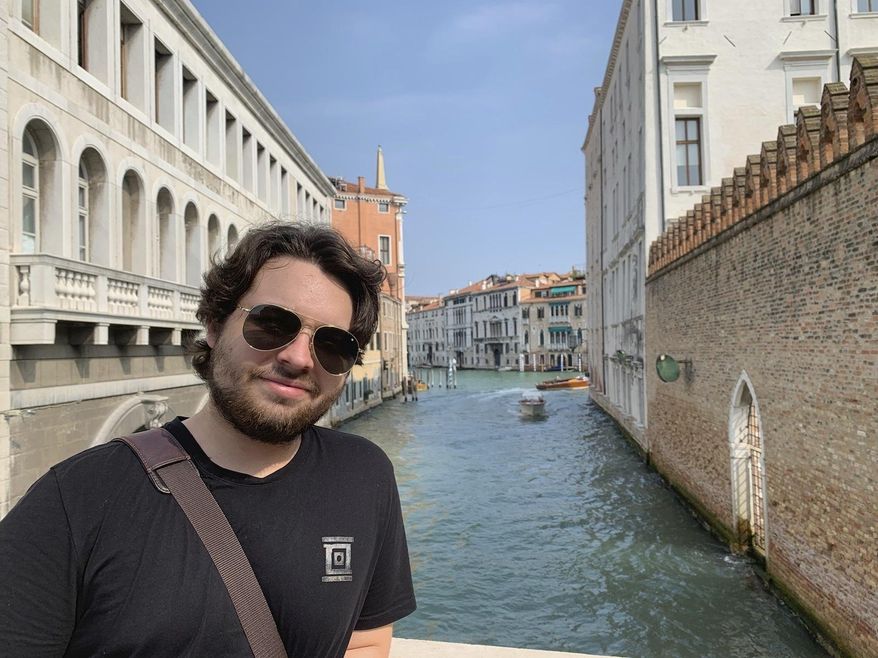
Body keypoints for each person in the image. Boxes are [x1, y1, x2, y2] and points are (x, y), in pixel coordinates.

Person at [0, 222, 416, 657]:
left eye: (332, 344)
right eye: (271, 324)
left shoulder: (364, 475)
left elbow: (365, 641)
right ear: (215, 326)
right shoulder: (77, 498)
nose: (298, 358)